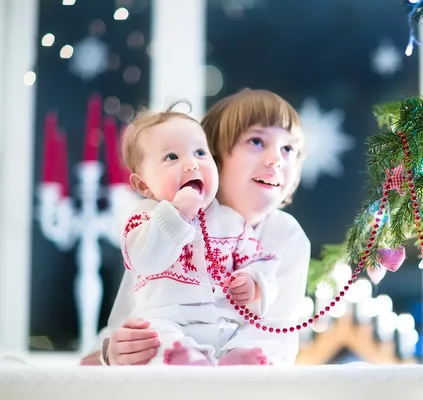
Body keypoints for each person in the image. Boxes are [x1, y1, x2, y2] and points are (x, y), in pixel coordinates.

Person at [80, 89, 310, 366]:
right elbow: (128, 317)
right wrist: (110, 351)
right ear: (215, 156)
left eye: (289, 149)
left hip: (238, 372)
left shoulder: (286, 234)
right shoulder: (162, 220)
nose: (277, 159)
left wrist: (254, 287)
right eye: (257, 141)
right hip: (168, 353)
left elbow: (277, 330)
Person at [116, 102, 280, 366]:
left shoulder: (230, 221)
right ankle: (187, 359)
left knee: (262, 331)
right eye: (172, 157)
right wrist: (176, 215)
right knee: (151, 338)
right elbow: (144, 259)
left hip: (224, 324)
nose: (192, 164)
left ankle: (236, 359)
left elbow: (262, 261)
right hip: (168, 320)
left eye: (200, 152)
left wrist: (253, 281)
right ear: (143, 184)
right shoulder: (143, 217)